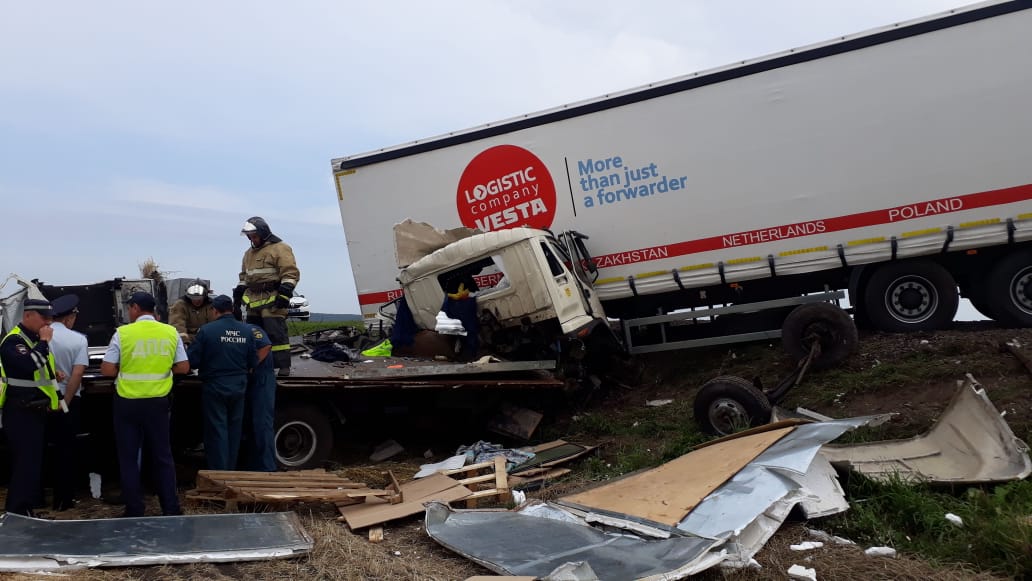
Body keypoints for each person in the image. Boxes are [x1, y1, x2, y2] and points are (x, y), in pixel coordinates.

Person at [100, 291, 187, 517]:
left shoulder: (123, 333)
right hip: (158, 402)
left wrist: (124, 369)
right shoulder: (170, 332)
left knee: (129, 458)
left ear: (136, 308)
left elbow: (107, 370)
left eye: (130, 308)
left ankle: (134, 509)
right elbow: (183, 367)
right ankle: (170, 508)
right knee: (163, 456)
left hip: (127, 403)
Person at [0, 298, 61, 516]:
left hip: (34, 410)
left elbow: (38, 370)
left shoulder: (30, 339)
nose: (48, 323)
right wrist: (44, 342)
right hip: (20, 410)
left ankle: (25, 509)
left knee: (32, 464)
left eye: (50, 318)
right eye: (44, 317)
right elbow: (28, 364)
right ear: (28, 315)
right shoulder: (14, 340)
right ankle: (17, 512)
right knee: (25, 464)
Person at [187, 295, 257, 471]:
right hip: (239, 386)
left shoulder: (207, 330)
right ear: (231, 309)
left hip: (215, 386)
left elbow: (192, 360)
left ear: (214, 311)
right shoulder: (247, 331)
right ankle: (230, 470)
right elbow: (253, 361)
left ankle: (218, 473)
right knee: (234, 430)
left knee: (216, 430)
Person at [234, 216, 299, 377]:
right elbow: (244, 277)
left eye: (254, 236)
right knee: (254, 335)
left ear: (263, 233)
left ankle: (282, 367)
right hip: (253, 300)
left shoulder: (280, 248)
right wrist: (238, 295)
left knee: (276, 333)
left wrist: (284, 294)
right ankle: (257, 365)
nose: (252, 239)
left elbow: (290, 273)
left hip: (272, 298)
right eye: (250, 236)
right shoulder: (248, 254)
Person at [46, 294, 89, 511]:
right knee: (66, 450)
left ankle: (38, 496)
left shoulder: (39, 336)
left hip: (41, 400)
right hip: (67, 400)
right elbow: (77, 374)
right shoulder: (78, 340)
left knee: (42, 449)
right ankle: (64, 499)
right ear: (69, 318)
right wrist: (65, 402)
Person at [245, 323, 276, 471]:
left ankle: (267, 468)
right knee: (250, 424)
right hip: (249, 381)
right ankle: (253, 465)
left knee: (262, 424)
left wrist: (251, 366)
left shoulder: (252, 329)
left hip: (261, 380)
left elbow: (265, 346)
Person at [168, 280, 217, 345]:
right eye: (193, 298)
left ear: (205, 296)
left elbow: (215, 325)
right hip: (187, 341)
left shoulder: (211, 306)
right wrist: (185, 342)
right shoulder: (180, 305)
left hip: (207, 340)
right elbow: (177, 325)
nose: (196, 301)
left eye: (199, 298)